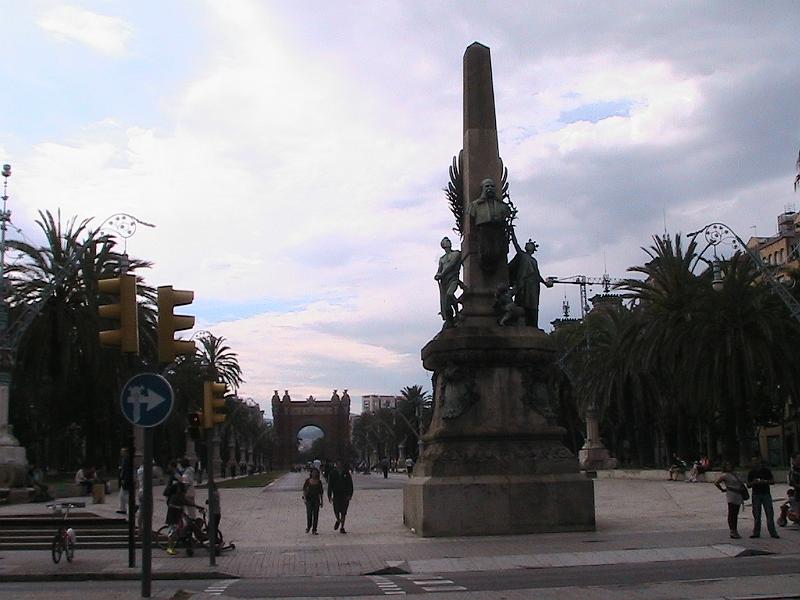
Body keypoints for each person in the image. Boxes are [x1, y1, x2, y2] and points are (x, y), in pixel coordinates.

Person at [508, 238, 553, 328]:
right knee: (523, 303)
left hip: (533, 286)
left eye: (531, 244)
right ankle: (521, 322)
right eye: (527, 244)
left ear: (533, 249)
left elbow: (537, 275)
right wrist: (512, 232)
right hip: (524, 284)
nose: (528, 245)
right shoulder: (522, 255)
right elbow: (516, 244)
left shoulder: (534, 260)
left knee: (533, 305)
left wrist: (545, 283)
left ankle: (533, 324)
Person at [747, 455, 780, 538]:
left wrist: (764, 481)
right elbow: (748, 485)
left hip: (766, 493)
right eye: (753, 461)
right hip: (756, 494)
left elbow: (772, 481)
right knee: (756, 514)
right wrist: (753, 482)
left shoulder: (766, 471)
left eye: (756, 461)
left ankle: (772, 532)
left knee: (769, 513)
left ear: (760, 461)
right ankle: (756, 532)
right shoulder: (751, 472)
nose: (755, 463)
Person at [435, 237, 462, 328]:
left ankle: (457, 312)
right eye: (446, 241)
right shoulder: (442, 259)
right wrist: (437, 275)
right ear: (443, 245)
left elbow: (451, 265)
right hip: (444, 281)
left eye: (449, 241)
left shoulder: (456, 253)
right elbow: (439, 269)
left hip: (453, 279)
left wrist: (441, 274)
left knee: (450, 294)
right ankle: (450, 320)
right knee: (446, 303)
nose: (449, 242)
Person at [715, 462, 747, 539]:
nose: (729, 467)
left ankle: (735, 529)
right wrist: (722, 489)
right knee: (732, 513)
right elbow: (716, 483)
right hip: (731, 494)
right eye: (727, 465)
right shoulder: (725, 475)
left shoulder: (735, 474)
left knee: (735, 513)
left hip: (738, 495)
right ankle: (732, 530)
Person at [327, 459, 354, 534]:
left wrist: (350, 494)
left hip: (344, 495)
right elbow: (330, 485)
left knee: (343, 511)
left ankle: (342, 527)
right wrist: (329, 495)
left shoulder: (346, 473)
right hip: (336, 494)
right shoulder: (332, 473)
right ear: (336, 464)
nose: (339, 465)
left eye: (340, 463)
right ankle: (338, 520)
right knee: (336, 510)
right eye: (337, 463)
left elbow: (350, 484)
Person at [303, 468, 324, 534]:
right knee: (309, 514)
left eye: (316, 472)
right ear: (311, 473)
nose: (314, 474)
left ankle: (314, 529)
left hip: (316, 500)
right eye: (313, 472)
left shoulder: (319, 482)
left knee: (316, 515)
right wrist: (305, 498)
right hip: (309, 499)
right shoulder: (307, 481)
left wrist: (321, 501)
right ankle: (309, 526)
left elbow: (321, 492)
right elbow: (304, 490)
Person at [117, 448, 132, 514]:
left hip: (126, 479)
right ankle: (122, 508)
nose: (121, 452)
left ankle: (127, 508)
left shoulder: (126, 459)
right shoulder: (124, 459)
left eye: (122, 451)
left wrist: (124, 479)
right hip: (125, 479)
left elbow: (126, 470)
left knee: (125, 494)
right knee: (122, 495)